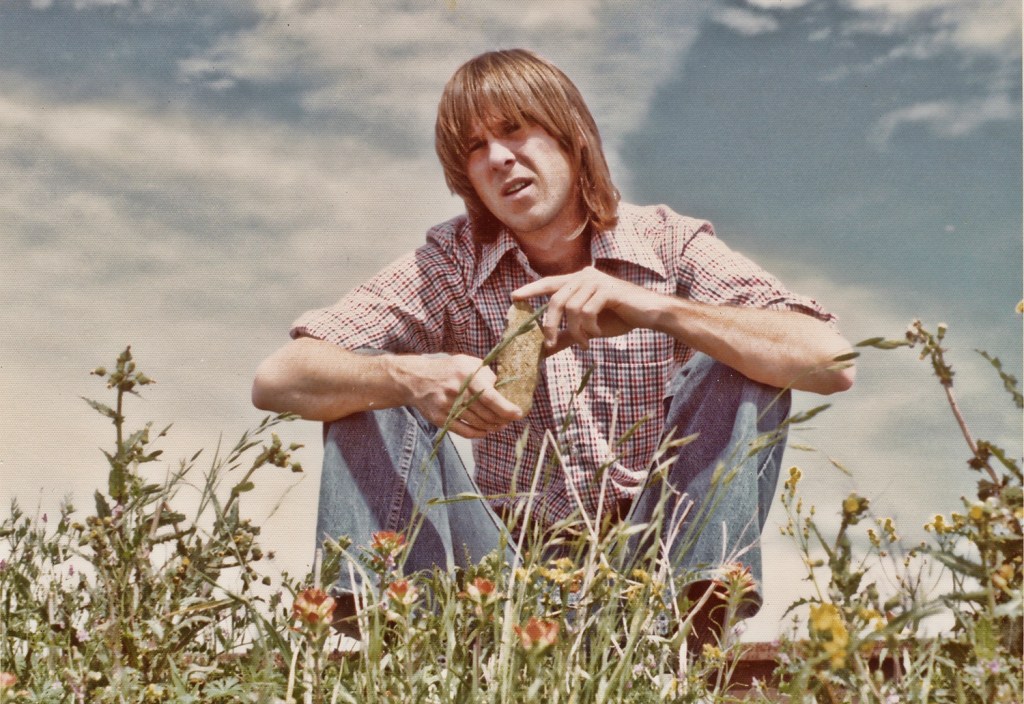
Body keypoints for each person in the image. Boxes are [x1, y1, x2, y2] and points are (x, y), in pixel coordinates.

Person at [252, 49, 854, 643]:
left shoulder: (669, 242)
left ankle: (684, 633)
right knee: (366, 381)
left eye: (515, 130)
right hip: (500, 576)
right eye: (474, 149)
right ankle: (397, 637)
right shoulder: (450, 262)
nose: (498, 158)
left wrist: (657, 309)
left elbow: (831, 360)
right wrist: (408, 376)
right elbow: (277, 379)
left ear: (571, 136)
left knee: (743, 351)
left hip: (651, 563)